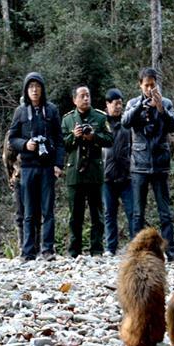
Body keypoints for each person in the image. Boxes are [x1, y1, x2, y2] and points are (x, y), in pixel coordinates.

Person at [121, 67, 174, 262]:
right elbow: (125, 122)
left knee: (165, 211)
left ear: (157, 85)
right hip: (139, 164)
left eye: (152, 85)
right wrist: (141, 105)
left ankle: (170, 250)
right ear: (140, 85)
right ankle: (136, 251)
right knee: (138, 212)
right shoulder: (132, 103)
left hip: (160, 164)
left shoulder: (166, 103)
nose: (149, 89)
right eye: (146, 85)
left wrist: (160, 109)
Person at [8, 72, 64, 261]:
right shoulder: (21, 112)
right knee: (28, 211)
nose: (34, 90)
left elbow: (59, 139)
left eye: (37, 86)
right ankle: (28, 251)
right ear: (26, 89)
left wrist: (58, 164)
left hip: (47, 166)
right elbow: (12, 138)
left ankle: (48, 250)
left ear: (42, 88)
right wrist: (25, 144)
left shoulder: (52, 110)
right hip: (27, 167)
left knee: (48, 210)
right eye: (30, 87)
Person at [62, 85, 113, 257]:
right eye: (82, 96)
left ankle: (97, 249)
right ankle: (73, 251)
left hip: (94, 172)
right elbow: (62, 144)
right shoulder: (68, 120)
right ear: (74, 100)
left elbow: (109, 139)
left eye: (88, 95)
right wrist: (74, 137)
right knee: (75, 215)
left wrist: (94, 137)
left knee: (97, 214)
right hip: (74, 173)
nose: (86, 99)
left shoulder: (100, 117)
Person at [102, 88, 134, 255]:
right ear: (107, 104)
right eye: (115, 104)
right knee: (109, 213)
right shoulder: (101, 123)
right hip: (106, 176)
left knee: (132, 212)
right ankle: (110, 247)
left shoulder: (127, 122)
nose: (118, 107)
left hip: (127, 175)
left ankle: (135, 246)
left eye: (121, 103)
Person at [2, 129, 41, 256]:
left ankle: (37, 246)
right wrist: (10, 177)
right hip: (19, 176)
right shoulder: (12, 133)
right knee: (21, 214)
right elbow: (7, 157)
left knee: (37, 213)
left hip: (38, 175)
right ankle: (23, 247)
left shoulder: (41, 128)